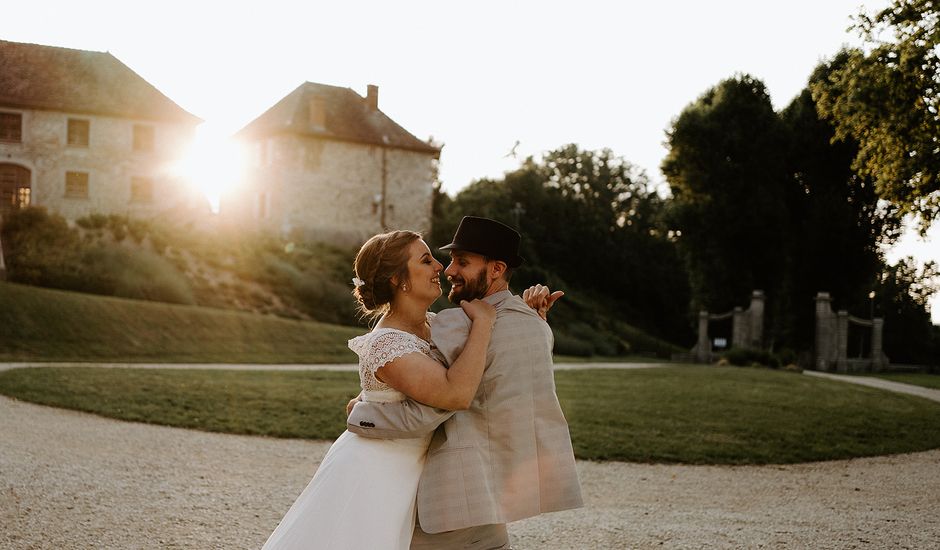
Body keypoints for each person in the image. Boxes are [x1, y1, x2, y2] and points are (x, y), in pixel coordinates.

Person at [347, 216, 583, 549]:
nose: (447, 269)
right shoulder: (536, 326)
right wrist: (530, 315)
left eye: (462, 262)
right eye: (435, 259)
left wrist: (359, 411)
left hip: (449, 497)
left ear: (497, 269)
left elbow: (432, 409)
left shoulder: (455, 327)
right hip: (487, 499)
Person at [261, 230, 498, 550]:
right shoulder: (386, 344)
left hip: (411, 473)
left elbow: (484, 362)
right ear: (399, 280)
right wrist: (483, 324)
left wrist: (531, 313)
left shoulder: (434, 324)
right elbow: (456, 394)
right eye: (426, 260)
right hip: (374, 472)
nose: (439, 267)